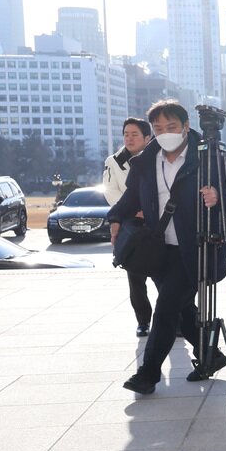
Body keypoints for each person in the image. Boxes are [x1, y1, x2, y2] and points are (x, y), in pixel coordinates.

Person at [107, 100, 226, 395]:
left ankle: (147, 374)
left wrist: (218, 197)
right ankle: (212, 354)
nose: (165, 133)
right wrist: (115, 218)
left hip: (197, 247)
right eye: (158, 128)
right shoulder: (146, 161)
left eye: (171, 127)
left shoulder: (208, 157)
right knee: (180, 306)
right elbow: (131, 197)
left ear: (186, 127)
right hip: (159, 249)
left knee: (166, 306)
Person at [101, 117, 154, 337]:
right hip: (130, 223)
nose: (129, 138)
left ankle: (177, 319)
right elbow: (110, 191)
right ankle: (143, 320)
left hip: (157, 220)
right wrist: (131, 210)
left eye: (135, 134)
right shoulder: (113, 161)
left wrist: (150, 208)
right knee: (135, 276)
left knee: (167, 276)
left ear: (147, 138)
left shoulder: (158, 157)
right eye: (126, 134)